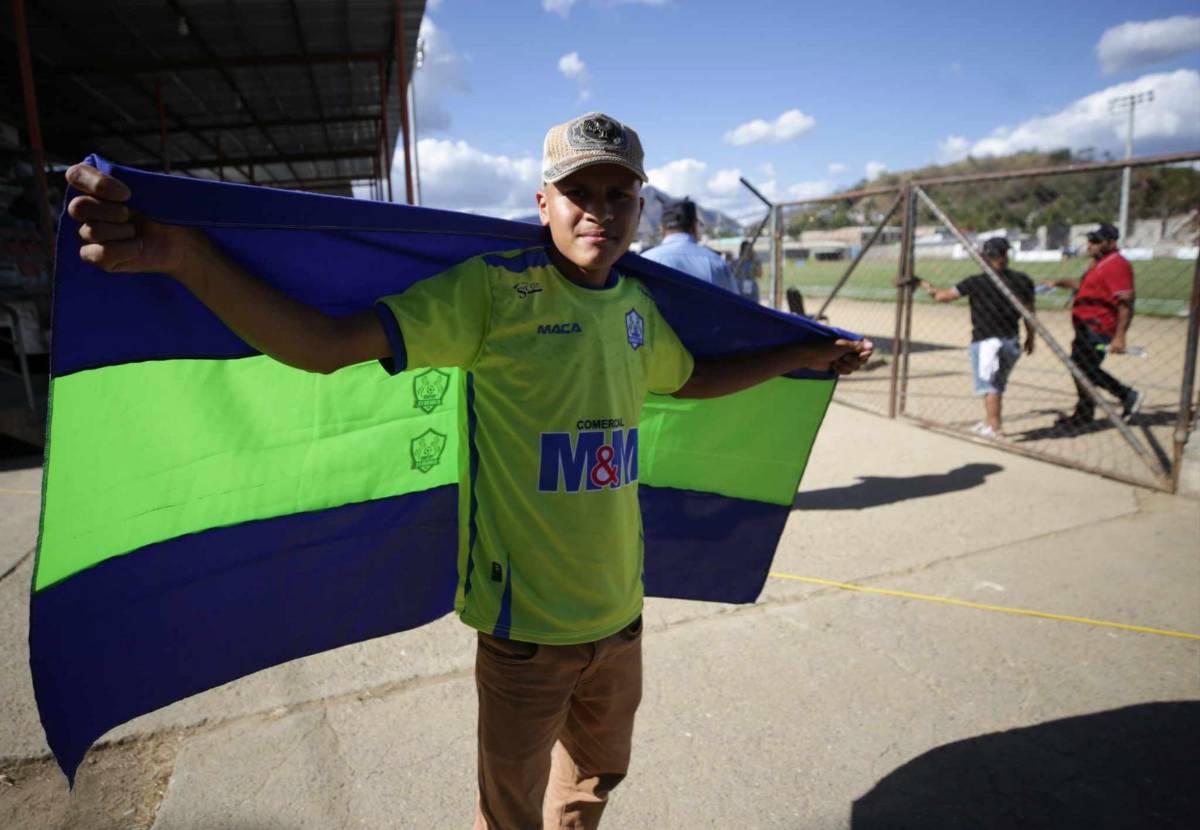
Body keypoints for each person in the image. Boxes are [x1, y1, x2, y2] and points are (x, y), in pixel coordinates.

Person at [66, 110, 873, 830]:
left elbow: (691, 378)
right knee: (509, 813)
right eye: (578, 191)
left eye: (618, 195)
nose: (599, 209)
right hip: (526, 635)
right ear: (542, 203)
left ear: (641, 207)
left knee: (594, 782)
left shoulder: (635, 309)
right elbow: (324, 347)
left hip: (621, 621)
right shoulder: (493, 294)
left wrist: (800, 354)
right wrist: (185, 255)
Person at [921, 237, 1035, 439]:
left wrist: (928, 287)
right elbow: (1029, 313)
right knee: (997, 384)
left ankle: (995, 427)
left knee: (989, 386)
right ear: (1006, 255)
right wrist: (1031, 338)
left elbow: (943, 297)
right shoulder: (1023, 280)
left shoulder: (975, 282)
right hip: (1011, 340)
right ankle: (989, 422)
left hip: (985, 341)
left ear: (985, 256)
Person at [1042, 222, 1143, 428]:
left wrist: (1120, 336)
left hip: (1099, 327)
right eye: (1089, 240)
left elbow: (1126, 301)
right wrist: (1058, 282)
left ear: (1111, 242)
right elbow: (1084, 285)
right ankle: (1085, 412)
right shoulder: (1097, 262)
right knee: (1079, 367)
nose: (1090, 245)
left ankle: (1126, 394)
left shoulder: (1117, 264)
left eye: (1096, 241)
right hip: (1085, 325)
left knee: (1084, 369)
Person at [640, 197, 735, 291]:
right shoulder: (717, 263)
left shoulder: (644, 262)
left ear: (662, 229)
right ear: (695, 226)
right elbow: (735, 304)